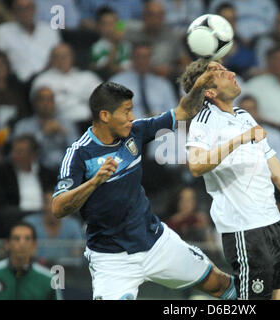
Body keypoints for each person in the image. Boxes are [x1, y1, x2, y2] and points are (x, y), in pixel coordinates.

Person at [51, 66, 238, 301]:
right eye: (126, 111)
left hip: (156, 242)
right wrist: (95, 182)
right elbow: (58, 208)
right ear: (105, 115)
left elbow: (182, 111)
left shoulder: (135, 132)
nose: (132, 117)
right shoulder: (79, 154)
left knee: (222, 285)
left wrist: (200, 85)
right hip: (112, 259)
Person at [183, 58, 280, 300]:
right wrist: (239, 140)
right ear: (209, 90)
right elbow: (196, 165)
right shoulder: (204, 120)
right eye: (222, 73)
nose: (232, 73)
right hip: (246, 233)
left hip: (276, 229)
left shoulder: (245, 117)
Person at [0, 222, 62, 299]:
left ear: (34, 244)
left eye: (27, 239)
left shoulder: (48, 280)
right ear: (7, 244)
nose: (22, 243)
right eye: (16, 238)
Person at [31, 43, 102, 127]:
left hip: (90, 123)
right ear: (51, 59)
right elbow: (40, 107)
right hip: (58, 123)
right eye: (57, 56)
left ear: (72, 57)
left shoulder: (88, 76)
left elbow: (103, 99)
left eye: (65, 56)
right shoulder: (42, 80)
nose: (61, 60)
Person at [13, 86, 79, 171]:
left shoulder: (66, 123)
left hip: (65, 170)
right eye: (42, 100)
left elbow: (79, 151)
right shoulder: (23, 126)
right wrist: (42, 134)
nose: (46, 104)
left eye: (50, 100)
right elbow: (19, 153)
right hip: (35, 172)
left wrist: (64, 133)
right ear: (34, 103)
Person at [0, 0, 61, 82]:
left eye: (28, 8)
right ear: (13, 11)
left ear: (35, 9)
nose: (25, 12)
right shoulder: (3, 31)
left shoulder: (49, 30)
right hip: (17, 82)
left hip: (48, 80)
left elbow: (59, 56)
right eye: (20, 8)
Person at [24, 188, 83, 262]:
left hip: (67, 270)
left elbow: (77, 255)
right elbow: (24, 254)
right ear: (44, 206)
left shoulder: (72, 226)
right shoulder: (29, 224)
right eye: (51, 203)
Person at [90, 6, 132, 78]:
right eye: (106, 24)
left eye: (113, 23)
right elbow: (108, 70)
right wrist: (115, 44)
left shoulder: (126, 45)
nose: (110, 28)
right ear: (99, 26)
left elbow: (128, 67)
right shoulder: (97, 47)